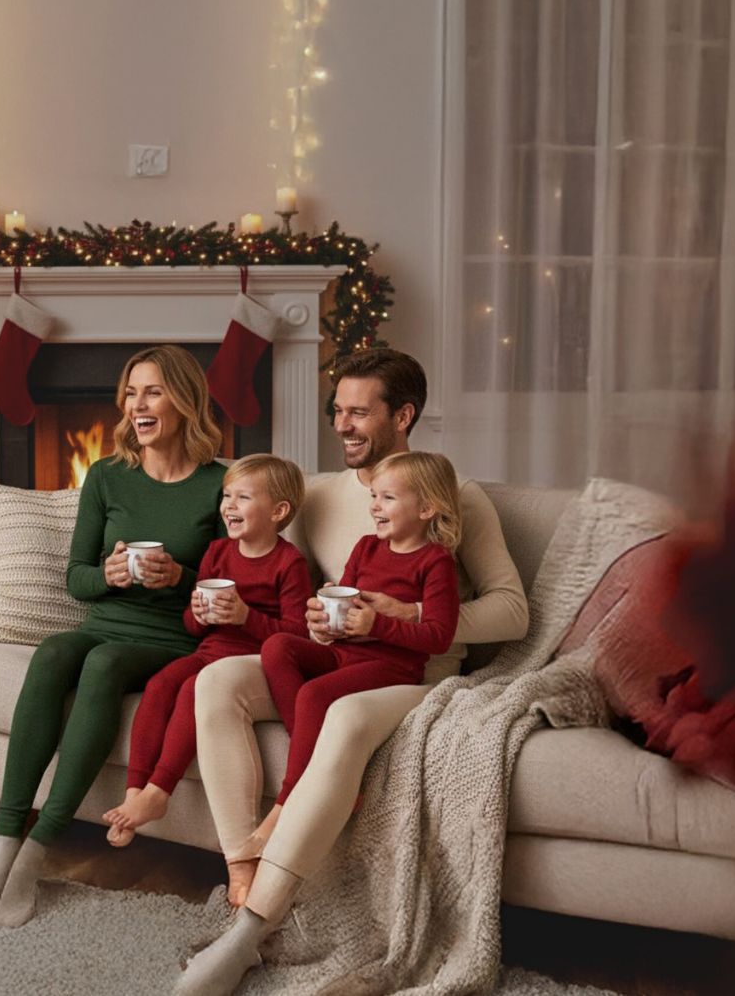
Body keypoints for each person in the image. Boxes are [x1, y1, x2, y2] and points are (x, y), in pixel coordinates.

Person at [179, 350, 529, 994]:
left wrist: (403, 612)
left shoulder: (453, 497)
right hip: (344, 655)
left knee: (337, 711)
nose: (342, 425)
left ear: (403, 415)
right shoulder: (317, 494)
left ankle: (248, 933)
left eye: (359, 412)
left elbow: (513, 610)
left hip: (414, 672)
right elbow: (253, 529)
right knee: (217, 681)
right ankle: (241, 869)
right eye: (337, 411)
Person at [0, 344, 226, 933]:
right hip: (104, 620)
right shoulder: (106, 475)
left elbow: (235, 581)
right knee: (55, 652)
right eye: (130, 392)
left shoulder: (219, 484)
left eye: (152, 391)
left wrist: (182, 577)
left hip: (172, 638)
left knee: (102, 665)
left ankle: (37, 852)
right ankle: (1, 845)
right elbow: (77, 578)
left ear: (183, 399)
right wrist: (112, 573)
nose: (137, 404)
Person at [102, 454, 312, 846]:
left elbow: (298, 637)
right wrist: (197, 614)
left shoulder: (289, 564)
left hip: (248, 663)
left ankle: (160, 791)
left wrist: (247, 616)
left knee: (190, 691)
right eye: (226, 495)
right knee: (161, 684)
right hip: (210, 651)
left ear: (279, 511)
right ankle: (135, 792)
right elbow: (193, 625)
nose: (229, 506)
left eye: (243, 497)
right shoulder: (217, 553)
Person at [259, 451, 461, 811]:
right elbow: (345, 599)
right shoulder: (366, 546)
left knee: (313, 695)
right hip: (343, 653)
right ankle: (320, 759)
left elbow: (438, 636)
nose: (375, 507)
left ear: (427, 508)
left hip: (393, 668)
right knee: (277, 647)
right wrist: (322, 620)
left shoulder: (436, 561)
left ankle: (289, 800)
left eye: (388, 498)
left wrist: (378, 624)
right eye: (373, 496)